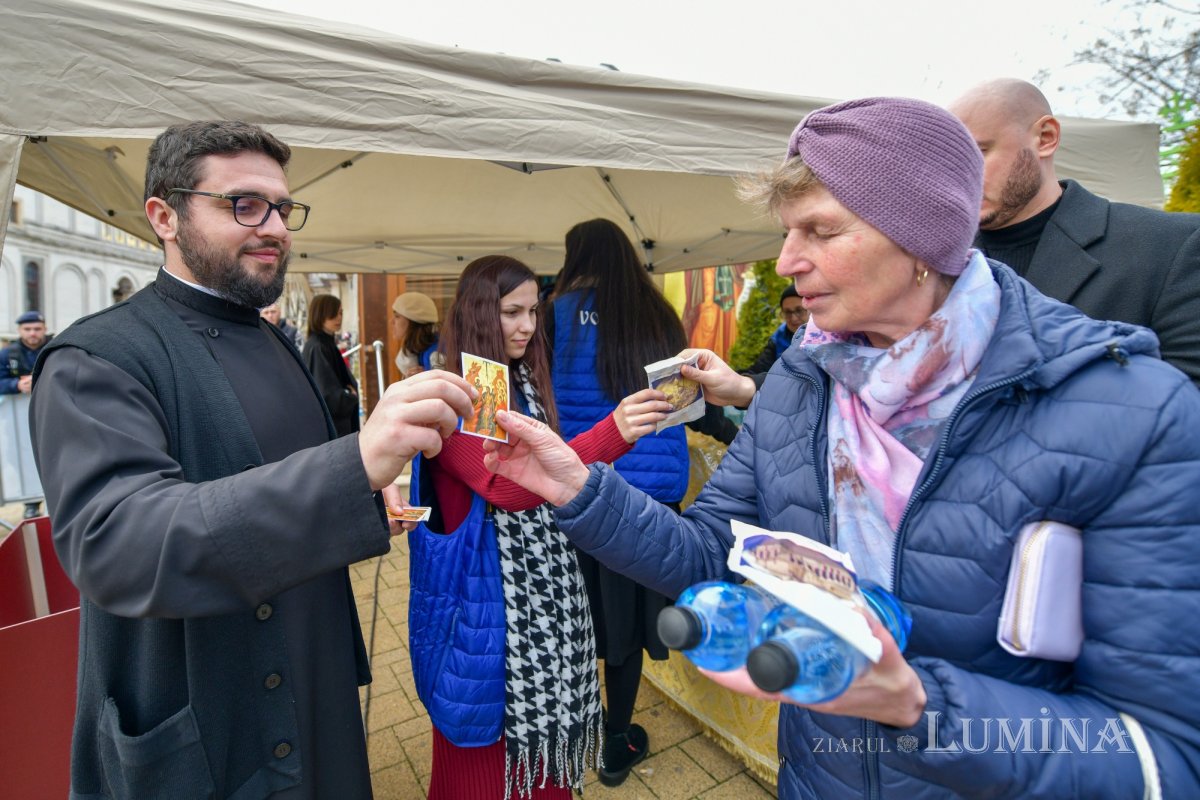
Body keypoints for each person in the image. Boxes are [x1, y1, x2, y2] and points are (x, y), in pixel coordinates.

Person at [479, 98, 1200, 798]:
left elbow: (1163, 757)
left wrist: (917, 707)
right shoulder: (803, 380)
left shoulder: (1134, 415)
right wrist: (580, 490)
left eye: (820, 231)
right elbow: (711, 554)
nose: (786, 261)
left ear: (921, 236)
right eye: (787, 232)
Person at [28, 119, 477, 799]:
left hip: (315, 686)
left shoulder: (273, 341)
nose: (274, 228)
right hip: (213, 724)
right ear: (164, 217)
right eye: (244, 205)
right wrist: (352, 465)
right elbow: (119, 542)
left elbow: (289, 468)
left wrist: (362, 492)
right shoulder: (95, 358)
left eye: (283, 209)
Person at [416, 254, 673, 799]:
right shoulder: (461, 390)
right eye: (512, 312)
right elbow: (507, 488)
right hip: (483, 604)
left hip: (526, 598)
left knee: (529, 765)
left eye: (533, 311)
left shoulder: (517, 380)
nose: (528, 326)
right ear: (479, 311)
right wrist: (614, 431)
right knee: (486, 764)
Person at [546, 217, 696, 784]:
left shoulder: (553, 315)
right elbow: (684, 403)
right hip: (650, 499)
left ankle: (574, 725)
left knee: (577, 615)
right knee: (626, 627)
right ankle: (615, 740)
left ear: (575, 256)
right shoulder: (659, 313)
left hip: (581, 490)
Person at [949, 78, 1200, 385]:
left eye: (978, 153)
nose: (960, 177)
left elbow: (1188, 399)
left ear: (1046, 138)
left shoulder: (1173, 245)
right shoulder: (935, 261)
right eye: (951, 163)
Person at [3, 309, 51, 517]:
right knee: (25, 458)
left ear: (44, 329)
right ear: (19, 331)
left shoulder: (56, 348)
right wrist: (16, 385)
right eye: (28, 329)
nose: (32, 333)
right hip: (18, 423)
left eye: (37, 329)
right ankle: (31, 503)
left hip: (52, 416)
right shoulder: (7, 354)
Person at [302, 293, 359, 436]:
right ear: (320, 314)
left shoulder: (325, 343)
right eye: (333, 313)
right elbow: (327, 393)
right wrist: (350, 396)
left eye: (340, 313)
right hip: (332, 427)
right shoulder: (318, 347)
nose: (338, 318)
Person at [742, 285, 807, 378]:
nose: (794, 318)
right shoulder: (778, 339)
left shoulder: (825, 337)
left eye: (799, 310)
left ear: (811, 310)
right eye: (787, 312)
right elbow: (759, 369)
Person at [391, 290, 444, 377]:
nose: (391, 322)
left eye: (397, 316)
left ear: (413, 320)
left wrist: (427, 378)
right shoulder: (415, 347)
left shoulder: (435, 353)